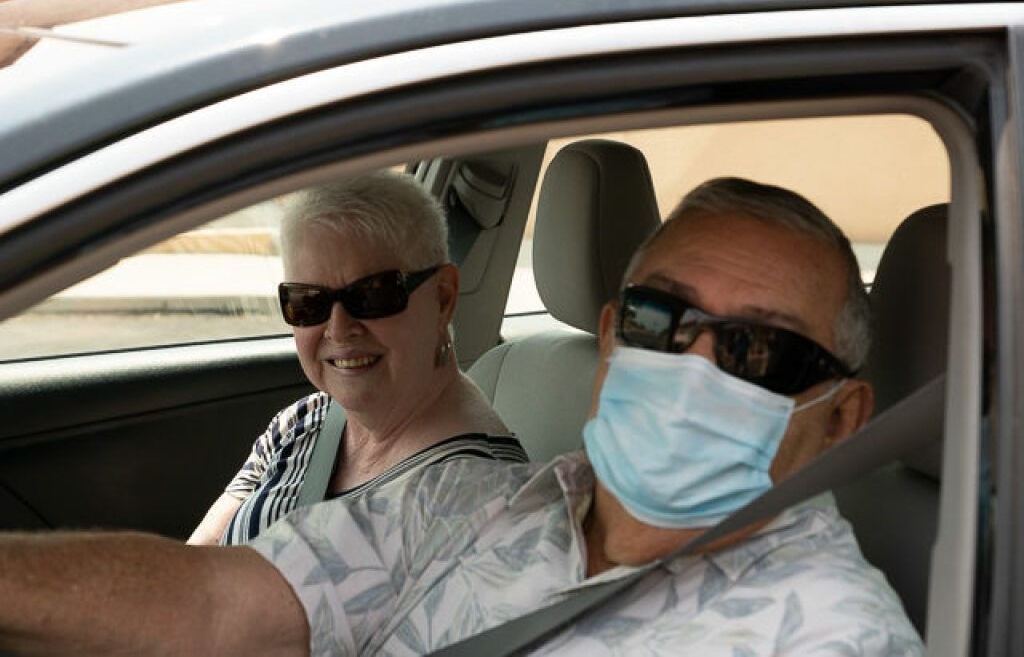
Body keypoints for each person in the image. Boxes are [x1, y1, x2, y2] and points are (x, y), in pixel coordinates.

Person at [0, 178, 922, 656]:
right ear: (610, 336)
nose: (692, 369)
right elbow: (213, 604)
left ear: (841, 417)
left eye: (758, 351)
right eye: (659, 320)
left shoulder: (832, 634)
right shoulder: (492, 509)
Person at [187, 172, 526, 545]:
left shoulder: (485, 500)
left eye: (372, 295)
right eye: (308, 301)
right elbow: (196, 567)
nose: (338, 327)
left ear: (442, 298)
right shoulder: (301, 424)